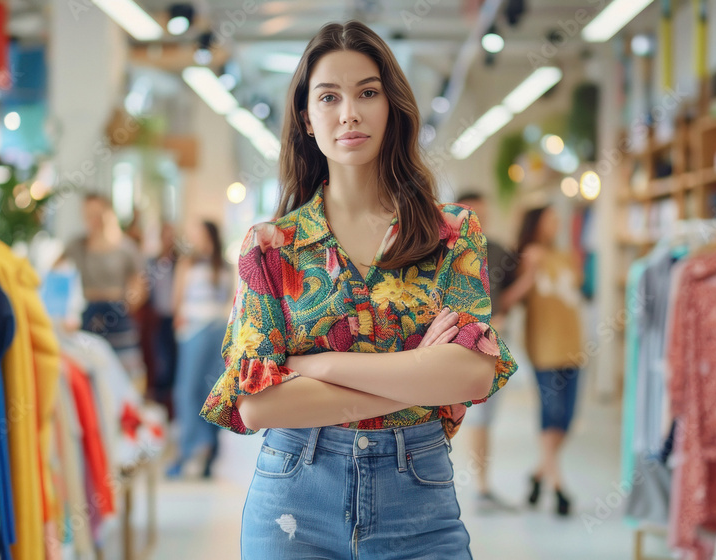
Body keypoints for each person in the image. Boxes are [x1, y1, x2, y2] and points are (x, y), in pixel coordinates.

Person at [200, 21, 517, 559]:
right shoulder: (271, 247)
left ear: (392, 106)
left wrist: (320, 365)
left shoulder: (451, 233)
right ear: (307, 117)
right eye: (329, 97)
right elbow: (256, 405)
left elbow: (473, 374)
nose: (349, 113)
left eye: (367, 93)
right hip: (294, 503)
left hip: (418, 499)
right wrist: (421, 377)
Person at [500, 206, 584, 517]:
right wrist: (530, 273)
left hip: (573, 345)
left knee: (568, 418)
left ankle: (538, 474)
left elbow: (577, 291)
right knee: (552, 413)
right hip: (544, 347)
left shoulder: (565, 255)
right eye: (551, 219)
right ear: (536, 222)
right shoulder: (526, 256)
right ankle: (558, 485)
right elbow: (507, 301)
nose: (557, 224)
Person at [455, 191, 519, 514]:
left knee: (485, 415)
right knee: (475, 415)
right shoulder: (447, 250)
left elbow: (507, 295)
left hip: (494, 342)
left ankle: (482, 485)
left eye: (482, 214)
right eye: (471, 213)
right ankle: (480, 486)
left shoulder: (498, 251)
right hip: (461, 346)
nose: (477, 220)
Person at [166, 220, 231, 479]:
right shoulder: (193, 263)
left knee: (196, 390)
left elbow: (177, 301)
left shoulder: (217, 265)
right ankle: (201, 446)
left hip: (207, 331)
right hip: (202, 330)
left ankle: (196, 448)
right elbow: (177, 301)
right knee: (200, 390)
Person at [64, 193, 148, 386]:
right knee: (92, 376)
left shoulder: (125, 247)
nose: (92, 219)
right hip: (89, 314)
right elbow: (56, 275)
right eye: (88, 214)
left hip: (117, 314)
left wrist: (128, 304)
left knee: (126, 375)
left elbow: (140, 285)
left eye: (97, 213)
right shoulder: (77, 245)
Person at [146, 222, 180, 415]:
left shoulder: (180, 262)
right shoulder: (152, 262)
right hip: (157, 319)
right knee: (159, 361)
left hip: (174, 319)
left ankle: (171, 406)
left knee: (173, 361)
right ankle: (159, 404)